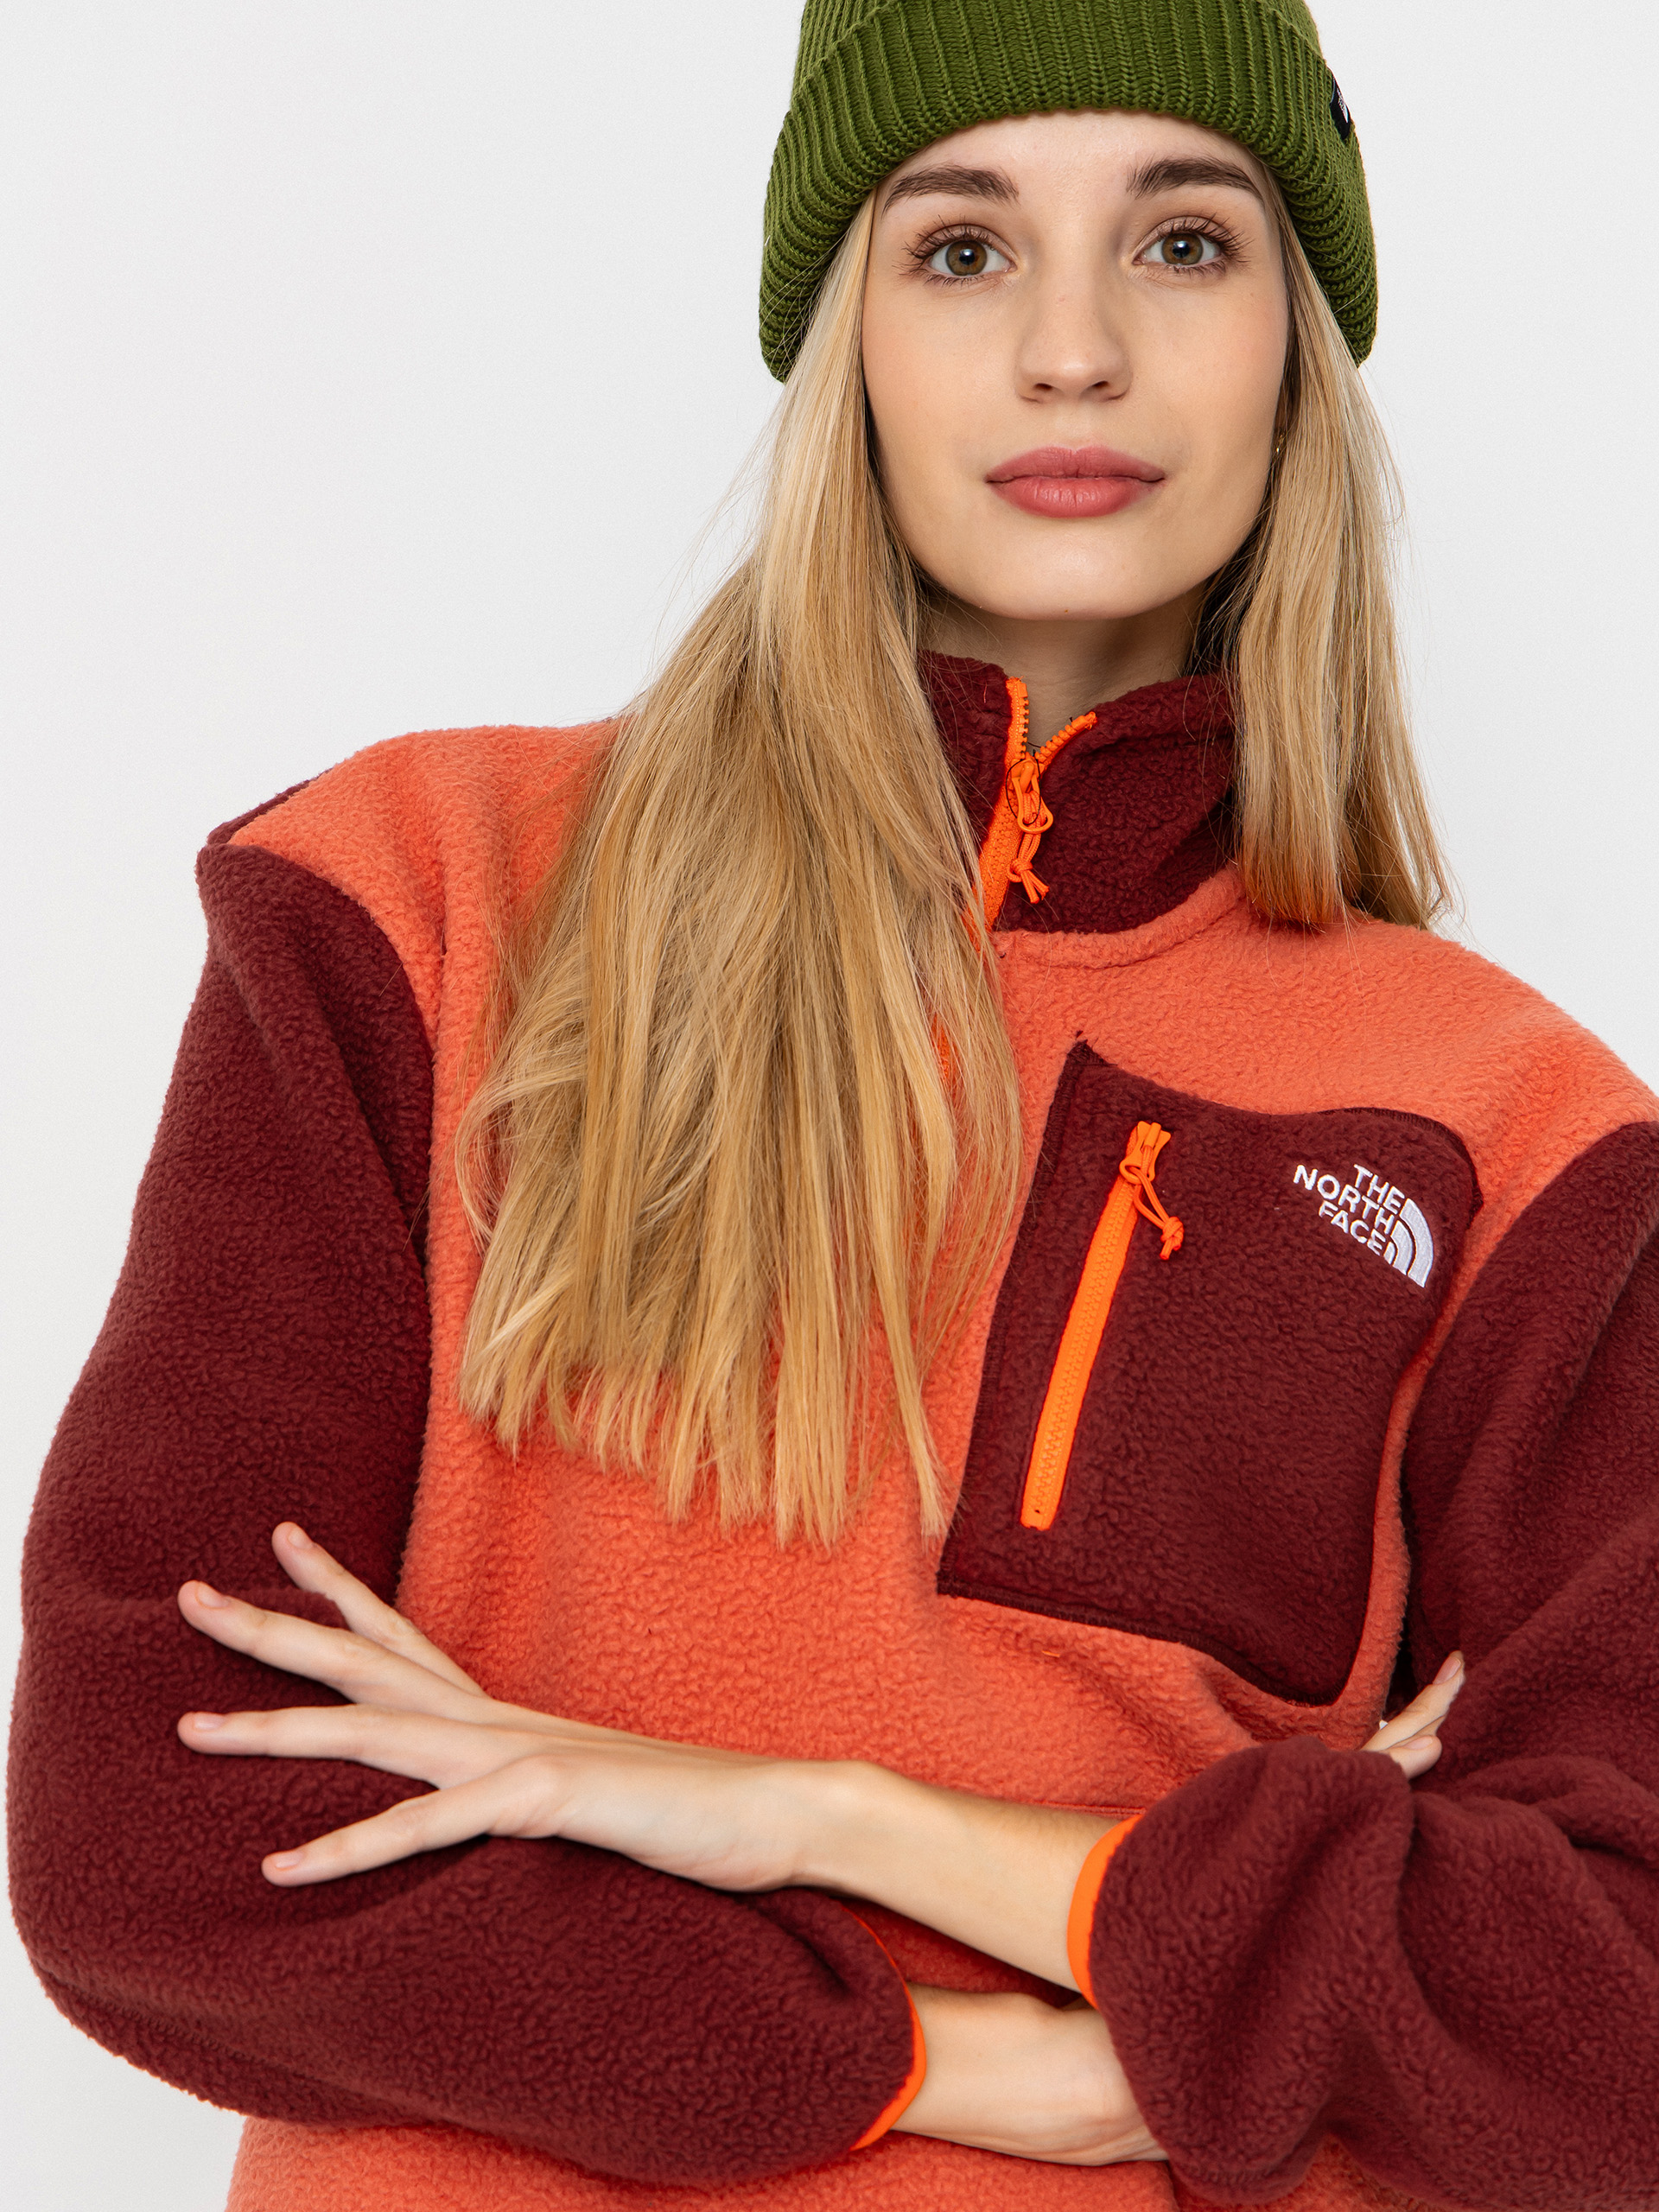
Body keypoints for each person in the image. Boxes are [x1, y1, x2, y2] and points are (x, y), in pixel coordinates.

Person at [11, 2, 1659, 2208]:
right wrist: (958, 2056)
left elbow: (1614, 2018)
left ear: (1301, 339)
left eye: (1182, 242)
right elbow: (148, 1833)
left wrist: (843, 1823)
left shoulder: (1526, 1141)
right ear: (843, 338)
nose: (1072, 350)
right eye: (960, 249)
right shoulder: (414, 905)